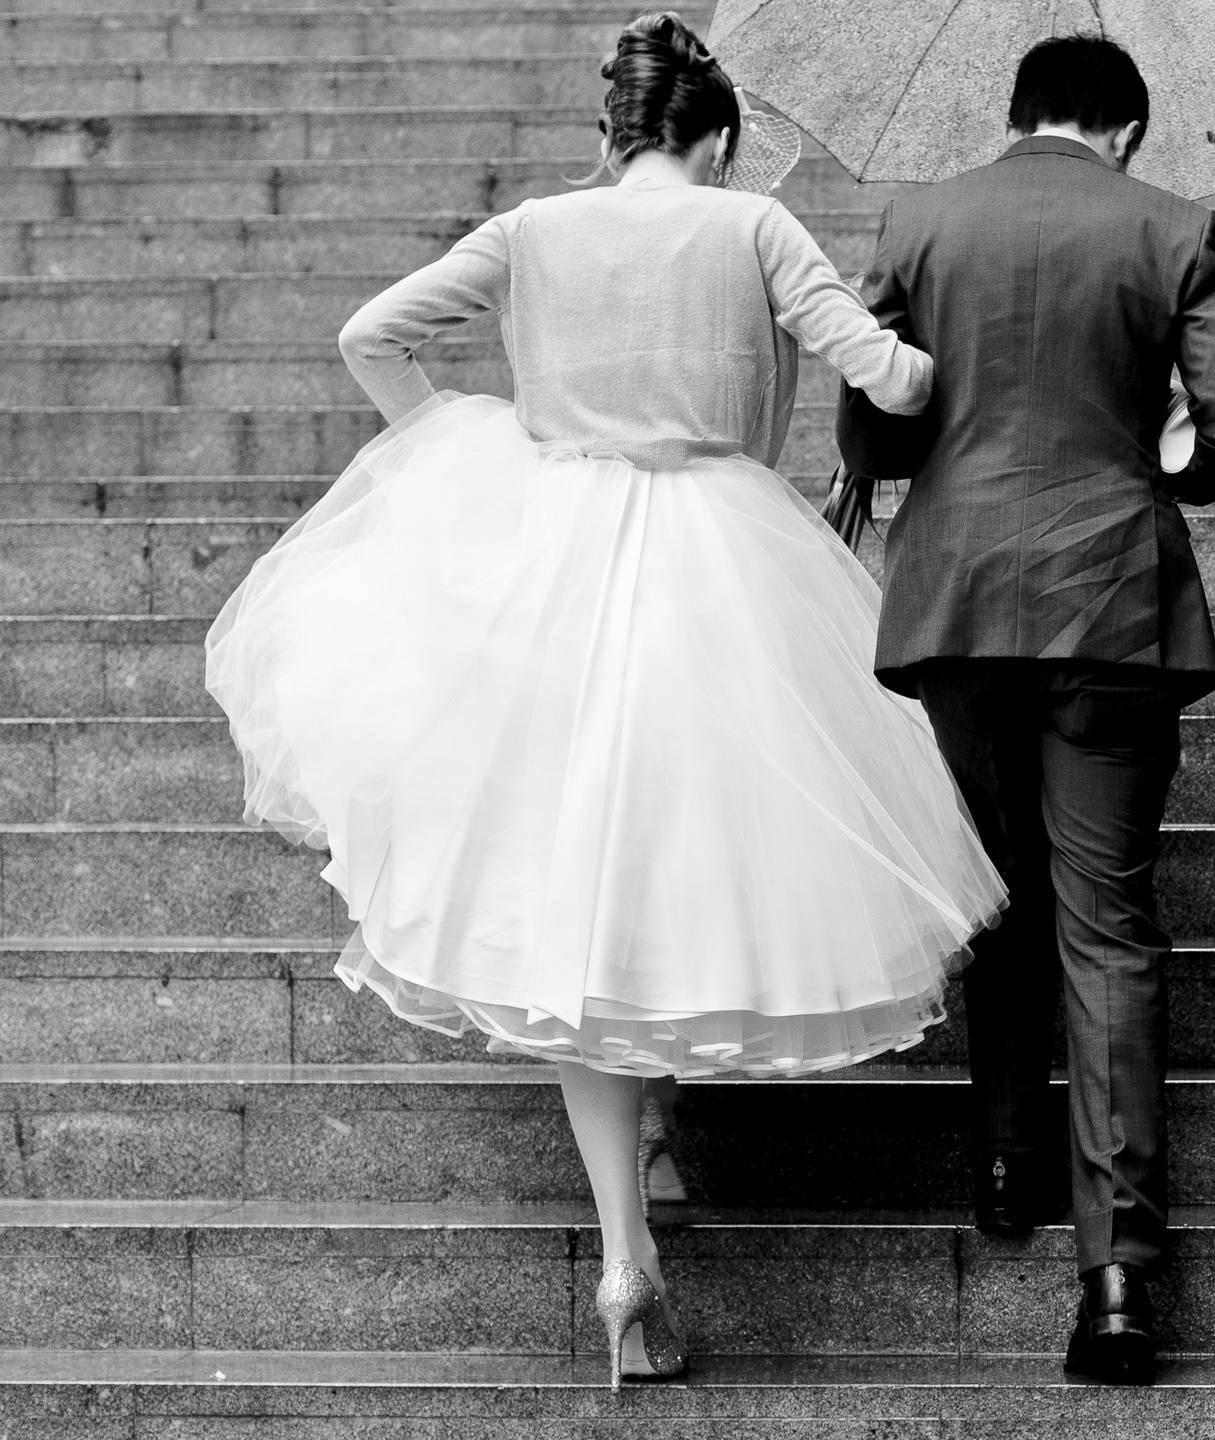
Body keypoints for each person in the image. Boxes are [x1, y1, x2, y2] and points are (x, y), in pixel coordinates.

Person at [204, 11, 1005, 1389]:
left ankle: (626, 1242)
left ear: (610, 135)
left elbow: (370, 335)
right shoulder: (754, 228)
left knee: (571, 886)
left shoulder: (533, 230)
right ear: (723, 137)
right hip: (725, 563)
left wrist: (462, 444)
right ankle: (659, 1129)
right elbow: (887, 376)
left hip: (558, 556)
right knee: (686, 855)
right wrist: (935, 353)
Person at [838, 33, 1215, 1386]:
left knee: (997, 884)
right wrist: (1173, 471)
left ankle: (1007, 1159)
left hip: (959, 603)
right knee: (1109, 922)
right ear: (1131, 135)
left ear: (1016, 114)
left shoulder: (925, 217)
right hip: (1111, 606)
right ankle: (1120, 1283)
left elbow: (876, 424)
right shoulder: (1171, 226)